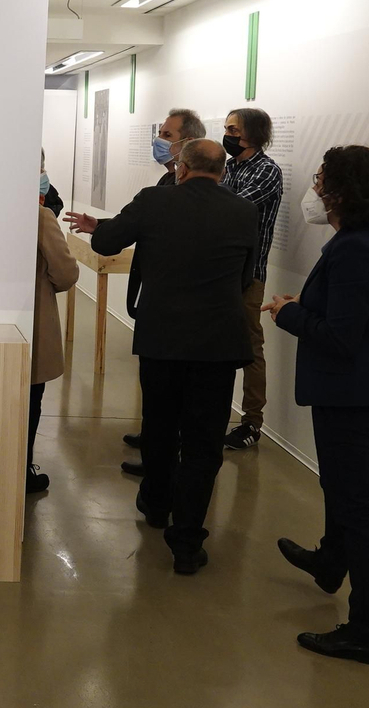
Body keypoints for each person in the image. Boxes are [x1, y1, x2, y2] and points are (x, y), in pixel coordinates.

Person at [66, 139, 257, 574]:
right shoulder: (244, 211)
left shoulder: (156, 200)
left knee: (161, 421)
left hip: (163, 338)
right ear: (222, 172)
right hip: (217, 343)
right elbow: (245, 275)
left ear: (182, 169)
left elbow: (107, 241)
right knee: (204, 442)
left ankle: (156, 504)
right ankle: (188, 541)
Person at [265, 146, 369, 665]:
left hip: (351, 391)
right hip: (366, 388)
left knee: (357, 507)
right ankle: (330, 561)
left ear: (343, 192)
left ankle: (367, 630)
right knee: (343, 486)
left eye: (322, 181)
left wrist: (289, 313)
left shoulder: (354, 250)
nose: (315, 190)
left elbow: (341, 337)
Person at [120, 107, 208, 465]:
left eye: (167, 136)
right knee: (158, 390)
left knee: (176, 388)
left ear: (188, 144)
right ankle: (157, 440)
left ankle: (164, 459)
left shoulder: (208, 195)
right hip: (161, 306)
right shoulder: (163, 184)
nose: (159, 142)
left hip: (182, 312)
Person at [221, 108, 284, 451]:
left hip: (248, 275)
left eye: (234, 129)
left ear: (253, 134)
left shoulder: (267, 171)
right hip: (221, 273)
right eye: (227, 128)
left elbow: (227, 208)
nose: (228, 134)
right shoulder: (230, 167)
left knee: (249, 346)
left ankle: (251, 422)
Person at [28, 169, 79, 493]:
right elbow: (65, 273)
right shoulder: (40, 215)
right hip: (32, 322)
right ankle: (21, 471)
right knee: (30, 399)